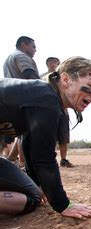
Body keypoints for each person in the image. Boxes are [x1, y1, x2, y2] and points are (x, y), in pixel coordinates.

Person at [0, 56, 91, 219]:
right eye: (90, 86)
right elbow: (43, 157)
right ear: (65, 79)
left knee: (34, 191)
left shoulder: (41, 93)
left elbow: (30, 143)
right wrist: (62, 204)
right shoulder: (46, 98)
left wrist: (39, 184)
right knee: (32, 199)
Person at [3, 36, 40, 168]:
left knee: (22, 132)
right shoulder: (22, 56)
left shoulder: (9, 57)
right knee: (27, 132)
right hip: (24, 97)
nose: (35, 49)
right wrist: (44, 88)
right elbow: (29, 74)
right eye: (33, 46)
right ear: (24, 45)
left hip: (10, 98)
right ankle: (24, 163)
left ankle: (11, 158)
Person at [41, 57, 74, 167]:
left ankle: (63, 159)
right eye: (54, 63)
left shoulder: (63, 78)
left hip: (63, 110)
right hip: (48, 110)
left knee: (63, 136)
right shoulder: (42, 78)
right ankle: (47, 159)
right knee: (48, 135)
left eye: (57, 63)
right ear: (48, 63)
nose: (56, 65)